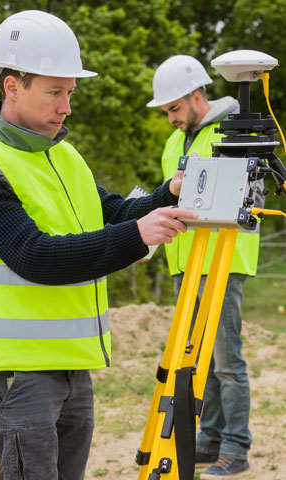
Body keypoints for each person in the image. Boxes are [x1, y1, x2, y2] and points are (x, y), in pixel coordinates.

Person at [0, 11, 197, 480]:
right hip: (17, 371)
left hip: (71, 363)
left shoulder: (60, 153)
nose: (66, 107)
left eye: (70, 93)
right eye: (55, 92)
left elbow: (112, 213)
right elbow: (33, 255)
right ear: (12, 86)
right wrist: (138, 237)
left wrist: (168, 195)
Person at [147, 55, 263, 479]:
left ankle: (236, 447)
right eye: (166, 112)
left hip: (221, 263)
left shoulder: (231, 133)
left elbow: (250, 197)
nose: (170, 118)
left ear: (197, 96)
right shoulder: (172, 143)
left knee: (227, 360)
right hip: (184, 263)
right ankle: (209, 440)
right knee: (201, 361)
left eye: (174, 108)